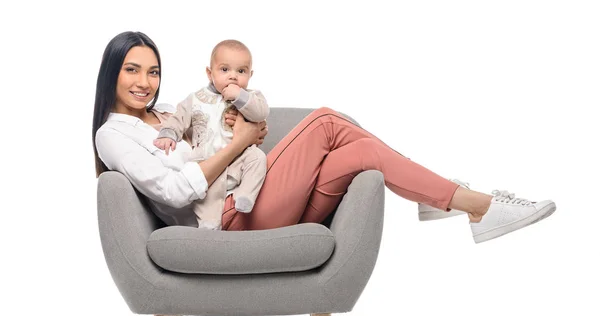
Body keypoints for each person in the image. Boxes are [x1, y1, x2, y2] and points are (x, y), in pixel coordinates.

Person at [93, 31, 556, 244]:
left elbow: (222, 130)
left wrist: (246, 130)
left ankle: (451, 200)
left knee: (364, 152)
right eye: (132, 70)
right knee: (328, 120)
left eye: (152, 71)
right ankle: (474, 204)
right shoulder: (113, 136)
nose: (145, 82)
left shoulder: (172, 112)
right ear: (112, 73)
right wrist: (240, 143)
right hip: (226, 216)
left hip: (254, 198)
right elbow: (174, 190)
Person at [152, 39, 269, 230]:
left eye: (241, 71)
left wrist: (240, 97)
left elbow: (261, 113)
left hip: (240, 158)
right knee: (208, 196)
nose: (233, 77)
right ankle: (209, 225)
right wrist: (168, 134)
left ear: (250, 74)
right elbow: (179, 118)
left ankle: (245, 196)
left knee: (258, 158)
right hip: (208, 161)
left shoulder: (251, 96)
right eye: (225, 70)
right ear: (210, 73)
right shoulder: (196, 99)